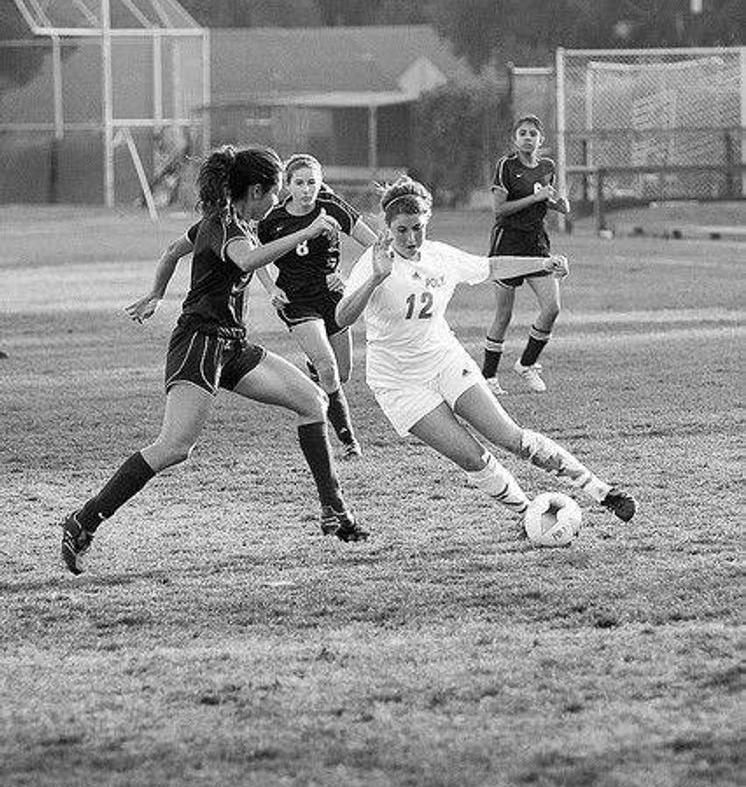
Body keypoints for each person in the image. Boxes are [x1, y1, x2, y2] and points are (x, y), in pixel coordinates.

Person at [61, 146, 369, 576]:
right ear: (256, 189)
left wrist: (156, 294)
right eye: (274, 192)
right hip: (199, 343)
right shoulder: (225, 226)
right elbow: (245, 258)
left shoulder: (232, 222)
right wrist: (307, 231)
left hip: (231, 344)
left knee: (313, 401)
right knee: (175, 448)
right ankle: (85, 519)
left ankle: (334, 510)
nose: (277, 202)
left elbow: (172, 250)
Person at [336, 175, 636, 530]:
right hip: (398, 382)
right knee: (473, 458)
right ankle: (531, 517)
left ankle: (602, 491)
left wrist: (542, 263)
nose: (411, 239)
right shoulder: (373, 263)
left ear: (427, 222)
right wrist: (376, 278)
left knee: (512, 438)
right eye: (401, 230)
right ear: (387, 228)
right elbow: (341, 317)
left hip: (444, 360)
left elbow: (491, 267)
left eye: (418, 228)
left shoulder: (440, 256)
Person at [257, 153, 378, 458]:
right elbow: (256, 258)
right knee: (328, 368)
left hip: (332, 297)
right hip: (296, 300)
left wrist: (348, 279)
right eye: (299, 183)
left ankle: (315, 375)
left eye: (312, 182)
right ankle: (350, 442)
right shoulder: (273, 220)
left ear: (321, 182)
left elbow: (375, 246)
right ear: (288, 185)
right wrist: (272, 288)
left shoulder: (333, 208)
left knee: (342, 374)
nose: (307, 189)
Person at [481, 114, 570, 395]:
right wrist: (536, 198)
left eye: (533, 133)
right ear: (515, 138)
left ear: (541, 140)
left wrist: (558, 206)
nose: (528, 137)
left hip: (537, 244)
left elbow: (543, 200)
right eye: (523, 133)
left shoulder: (547, 166)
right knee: (504, 314)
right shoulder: (506, 166)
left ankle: (527, 364)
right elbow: (500, 209)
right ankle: (488, 377)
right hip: (508, 243)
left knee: (552, 307)